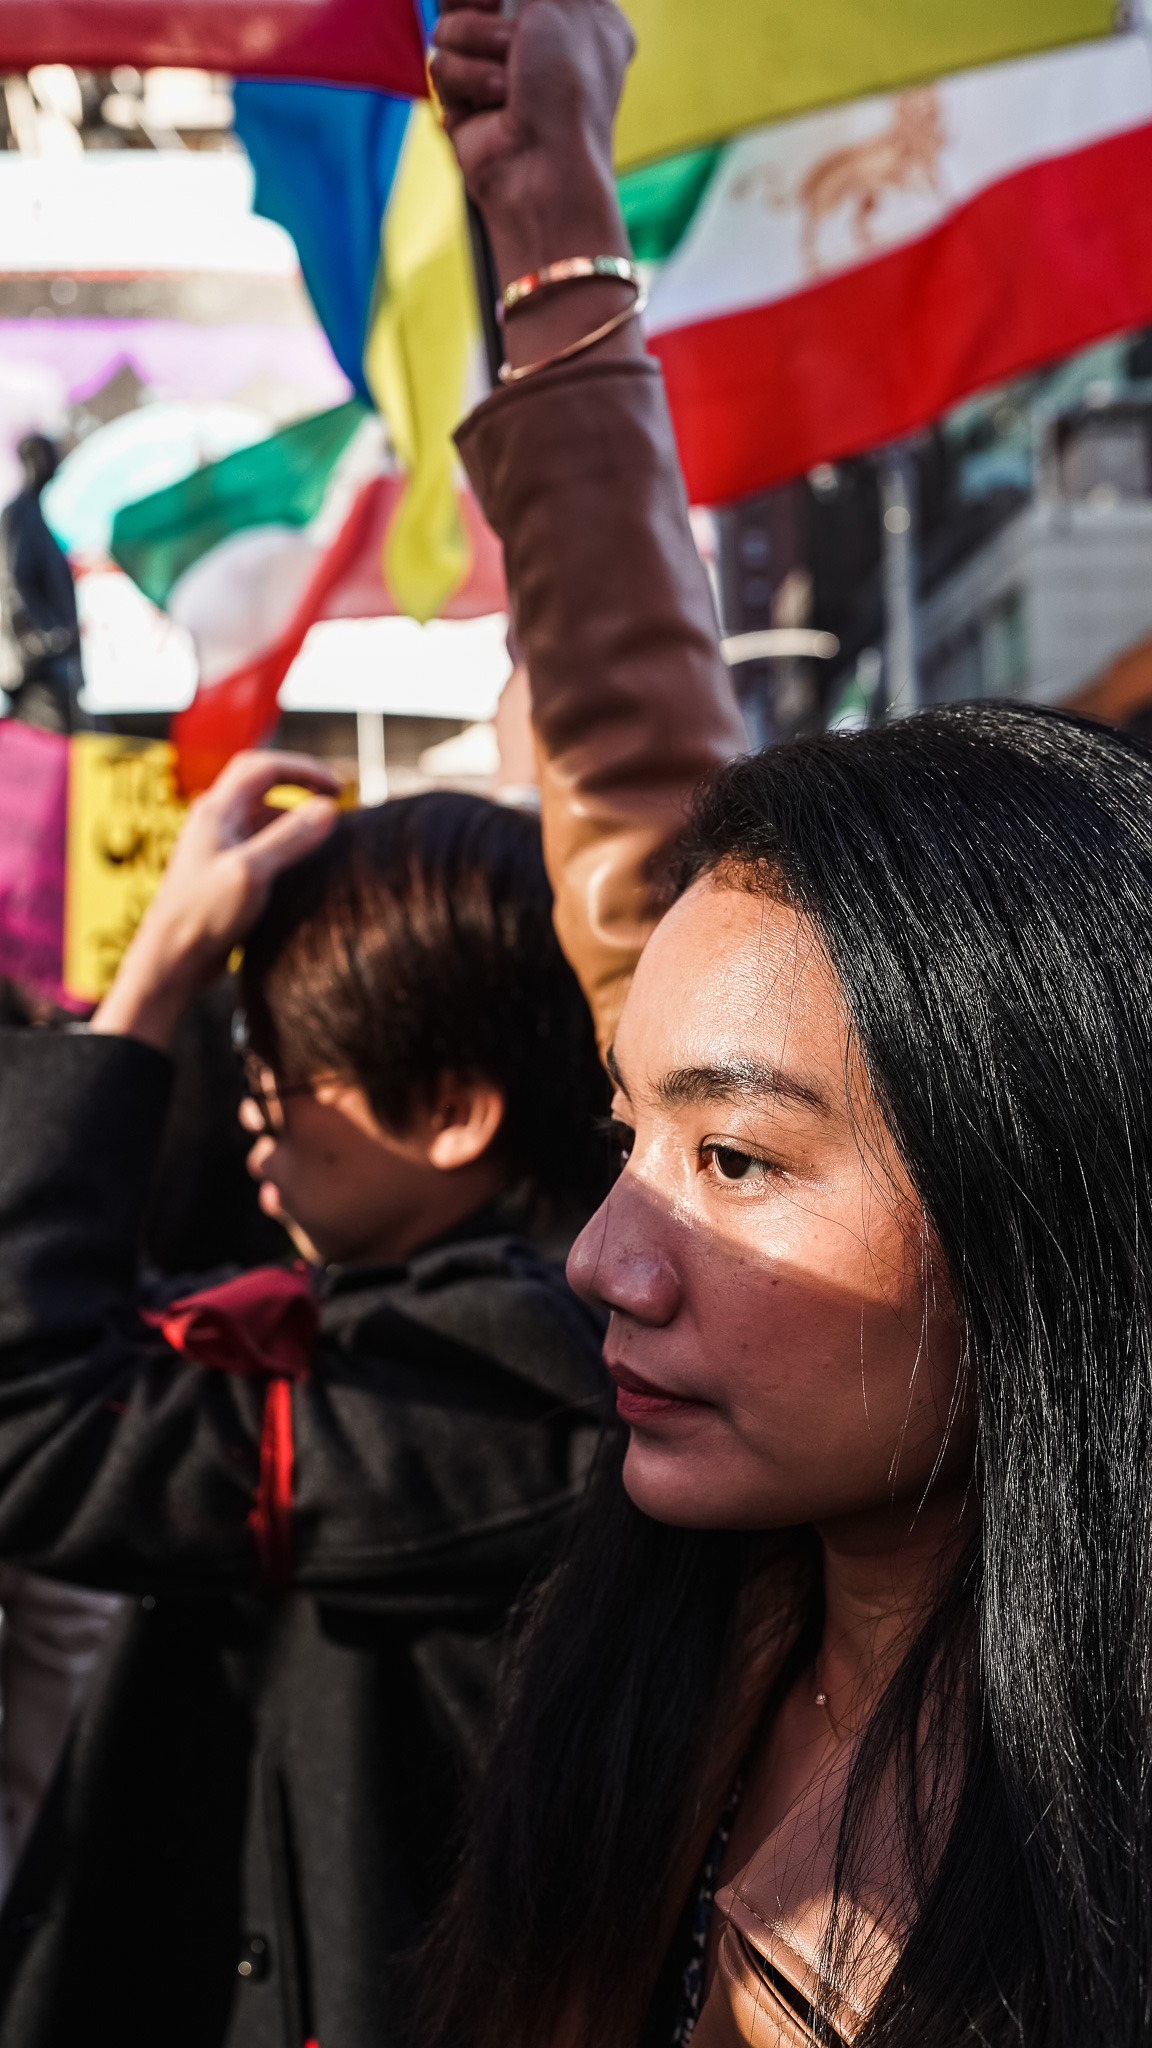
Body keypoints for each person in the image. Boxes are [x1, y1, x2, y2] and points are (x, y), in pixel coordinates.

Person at [410, 5, 1152, 2045]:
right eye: (635, 1134)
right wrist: (551, 221)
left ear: (1048, 1203)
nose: (606, 1258)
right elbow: (647, 786)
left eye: (739, 1157)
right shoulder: (668, 1649)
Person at [0, 758, 609, 2048]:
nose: (250, 1108)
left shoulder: (501, 1388)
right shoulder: (431, 1325)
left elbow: (37, 1422)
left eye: (281, 1067)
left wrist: (156, 976)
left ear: (450, 1109)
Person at [0, 437, 83, 735]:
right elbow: (14, 584)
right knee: (48, 749)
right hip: (38, 668)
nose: (57, 463)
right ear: (33, 461)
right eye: (51, 456)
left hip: (50, 664)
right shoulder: (19, 514)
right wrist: (45, 637)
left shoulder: (35, 514)